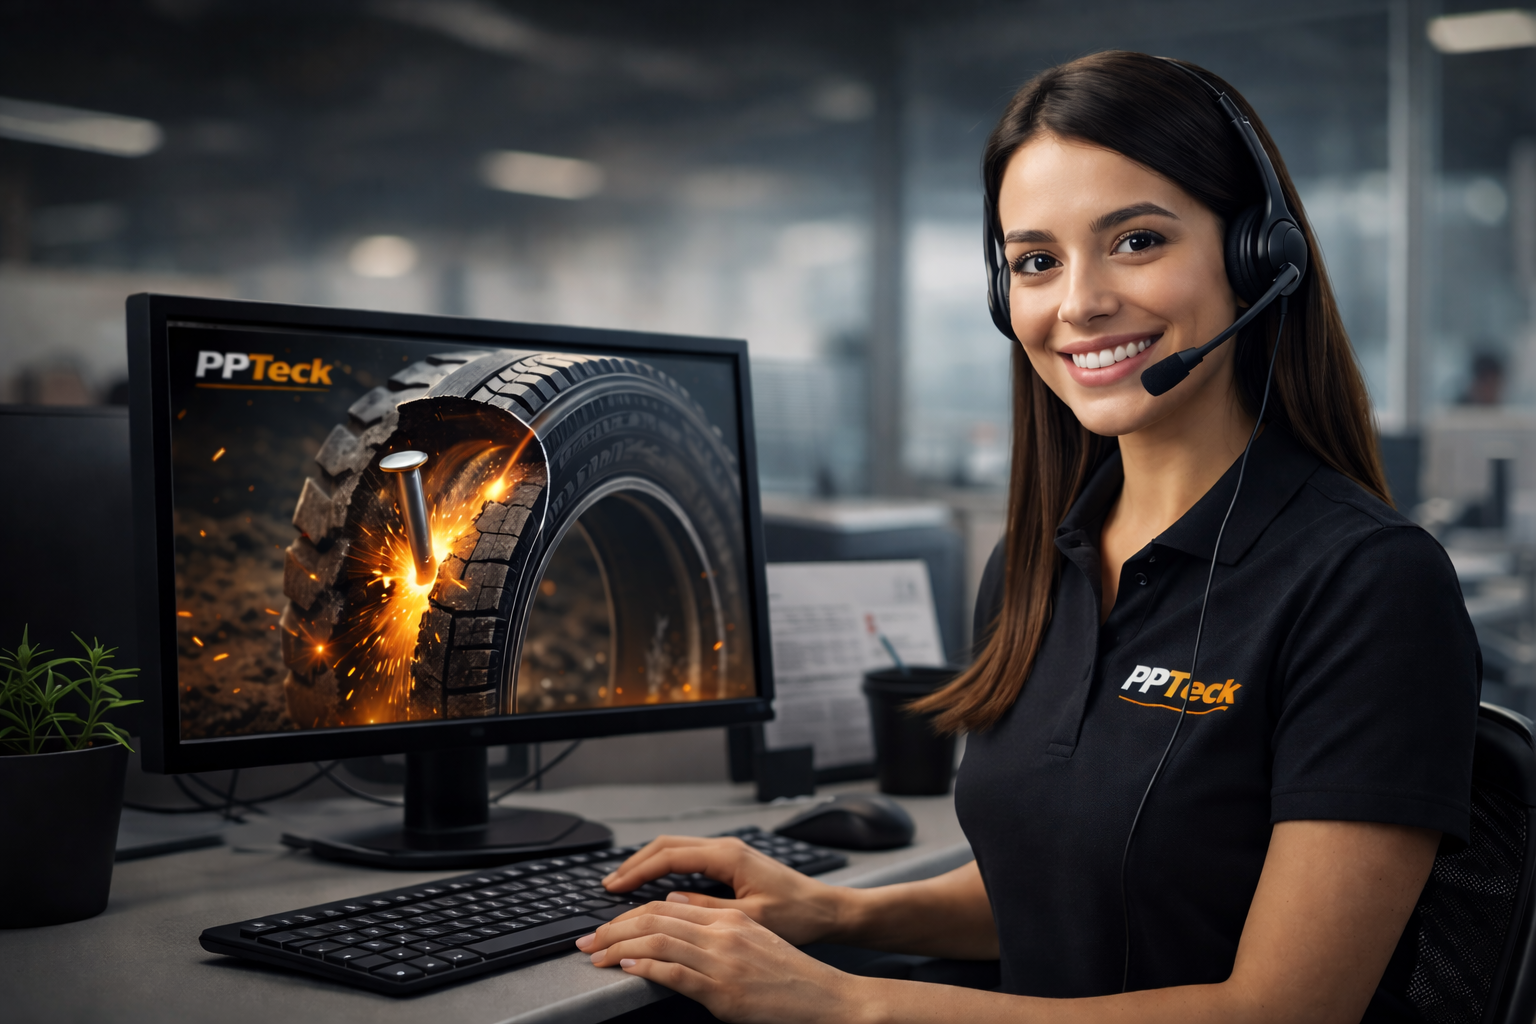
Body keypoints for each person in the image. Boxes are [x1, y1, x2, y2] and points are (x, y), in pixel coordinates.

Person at [573, 51, 1481, 1024]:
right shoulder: (1038, 564)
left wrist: (847, 1003)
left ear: (1257, 253)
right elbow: (1060, 888)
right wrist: (833, 911)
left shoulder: (1369, 583)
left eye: (1136, 240)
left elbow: (1283, 1010)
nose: (1079, 302)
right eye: (1037, 262)